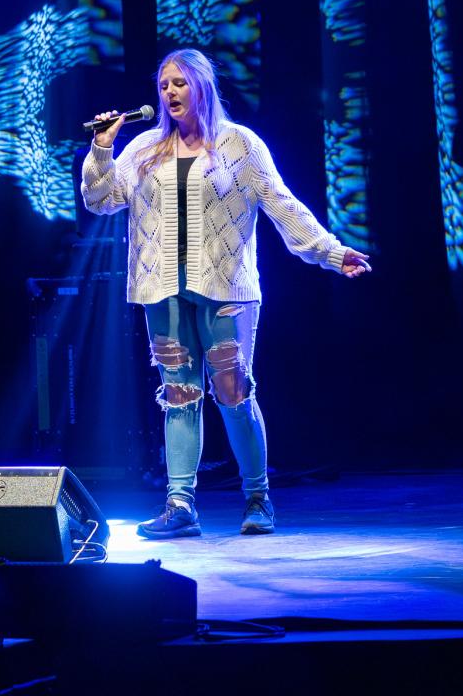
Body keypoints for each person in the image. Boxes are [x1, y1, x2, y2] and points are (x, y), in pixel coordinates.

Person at [80, 49, 370, 539]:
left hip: (227, 290)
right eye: (164, 85)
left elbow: (282, 204)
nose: (170, 93)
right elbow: (100, 200)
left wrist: (330, 252)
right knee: (179, 395)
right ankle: (180, 505)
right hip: (162, 290)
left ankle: (257, 497)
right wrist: (103, 150)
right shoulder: (145, 148)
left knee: (234, 392)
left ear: (202, 86)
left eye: (180, 83)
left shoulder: (240, 145)